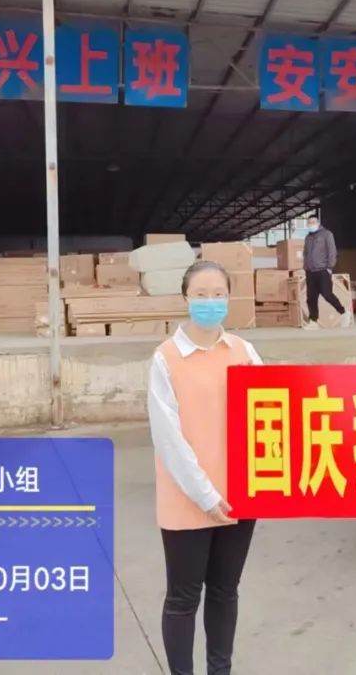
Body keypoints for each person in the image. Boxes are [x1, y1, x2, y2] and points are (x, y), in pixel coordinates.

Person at [147, 260, 263, 675]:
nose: (210, 302)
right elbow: (169, 439)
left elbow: (270, 413)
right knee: (183, 598)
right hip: (187, 501)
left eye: (218, 294)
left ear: (229, 298)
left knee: (225, 592)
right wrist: (206, 495)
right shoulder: (166, 359)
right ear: (185, 298)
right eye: (201, 295)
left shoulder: (244, 352)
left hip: (239, 498)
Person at [302, 214, 348, 330]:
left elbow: (332, 251)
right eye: (309, 223)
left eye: (313, 222)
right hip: (310, 271)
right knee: (311, 297)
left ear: (318, 223)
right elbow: (305, 253)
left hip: (323, 270)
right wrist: (305, 266)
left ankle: (343, 312)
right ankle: (313, 321)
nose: (311, 224)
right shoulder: (308, 237)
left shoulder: (327, 234)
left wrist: (329, 267)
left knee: (327, 294)